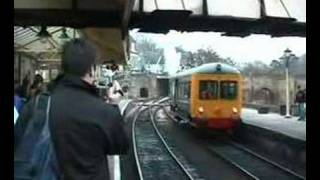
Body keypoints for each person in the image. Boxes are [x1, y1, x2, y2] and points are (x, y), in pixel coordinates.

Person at [15, 39, 129, 180]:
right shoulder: (104, 111)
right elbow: (121, 145)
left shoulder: (38, 104)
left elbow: (18, 141)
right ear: (92, 69)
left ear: (63, 67)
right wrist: (113, 104)